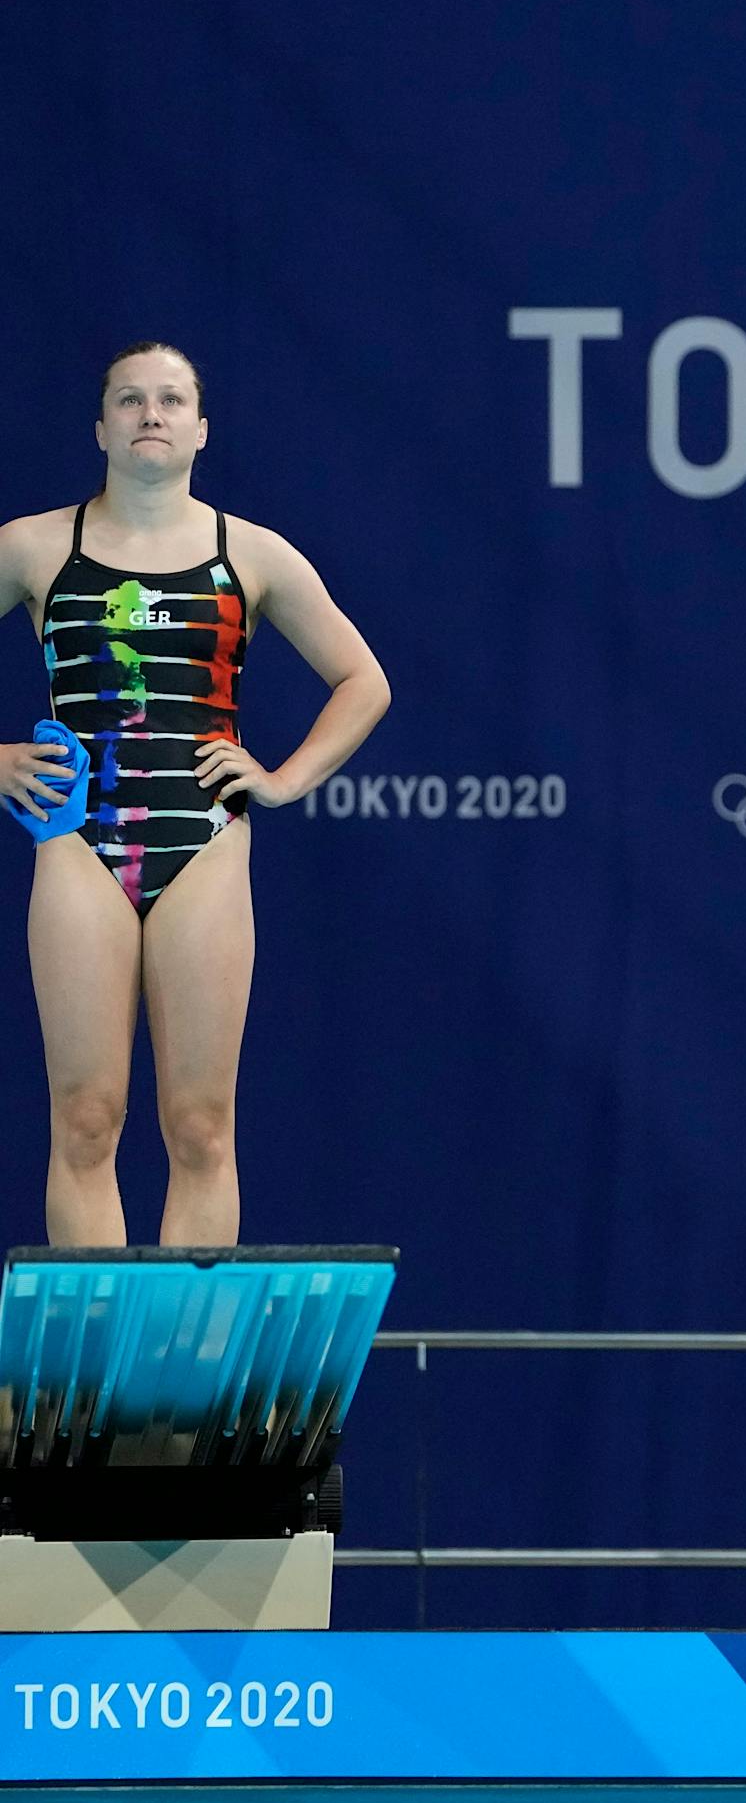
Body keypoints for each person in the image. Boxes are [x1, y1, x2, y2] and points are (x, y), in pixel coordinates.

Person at [0, 343, 390, 1245]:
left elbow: (363, 681)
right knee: (87, 1121)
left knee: (203, 1130)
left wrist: (284, 780)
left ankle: (187, 1384)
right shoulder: (32, 546)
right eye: (129, 399)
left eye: (171, 400)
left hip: (205, 843)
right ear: (99, 427)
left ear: (201, 429)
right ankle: (91, 1383)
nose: (151, 413)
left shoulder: (249, 554)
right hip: (75, 843)